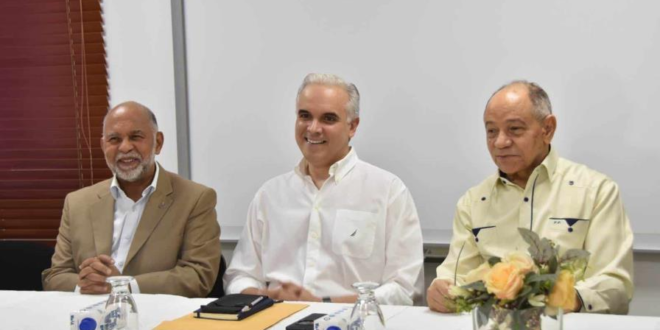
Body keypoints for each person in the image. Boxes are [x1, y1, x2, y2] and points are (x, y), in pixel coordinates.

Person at [427, 81, 634, 314]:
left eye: (514, 129)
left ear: (548, 129)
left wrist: (559, 298)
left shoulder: (596, 191)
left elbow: (615, 286)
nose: (500, 142)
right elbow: (456, 276)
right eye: (491, 131)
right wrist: (440, 289)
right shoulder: (473, 202)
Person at [224, 73, 424, 305]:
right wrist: (265, 296)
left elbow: (405, 290)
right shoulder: (270, 194)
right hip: (274, 319)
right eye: (305, 116)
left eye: (328, 119)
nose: (313, 128)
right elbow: (240, 275)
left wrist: (323, 304)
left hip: (353, 323)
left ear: (353, 126)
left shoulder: (388, 191)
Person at [42, 101, 221, 298]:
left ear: (158, 143)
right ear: (103, 146)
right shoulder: (77, 202)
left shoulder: (195, 199)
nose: (125, 147)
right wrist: (87, 283)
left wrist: (121, 286)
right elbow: (55, 276)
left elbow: (198, 276)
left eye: (135, 137)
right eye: (114, 139)